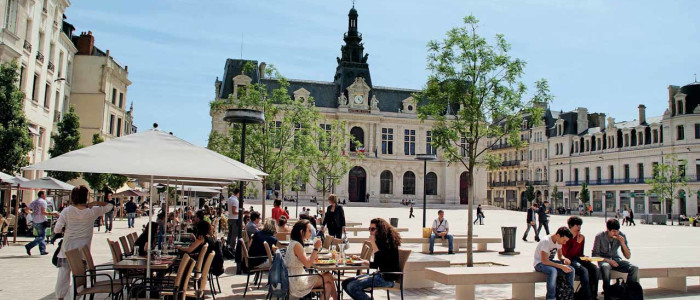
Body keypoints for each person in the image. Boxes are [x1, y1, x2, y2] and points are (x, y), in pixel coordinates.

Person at [54, 186, 113, 300]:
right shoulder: (92, 210)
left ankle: (60, 297)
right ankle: (77, 297)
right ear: (86, 197)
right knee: (80, 277)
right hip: (82, 251)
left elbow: (57, 229)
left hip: (67, 249)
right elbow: (110, 206)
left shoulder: (67, 211)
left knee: (63, 276)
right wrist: (95, 202)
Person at [343, 218, 402, 300]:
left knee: (352, 286)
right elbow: (376, 264)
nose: (370, 231)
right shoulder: (380, 241)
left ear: (380, 229)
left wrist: (373, 243)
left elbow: (379, 263)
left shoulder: (389, 243)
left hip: (387, 279)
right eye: (369, 229)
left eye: (373, 229)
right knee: (345, 283)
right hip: (379, 275)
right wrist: (361, 260)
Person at [285, 219, 338, 300]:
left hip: (294, 278)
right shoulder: (297, 245)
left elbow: (306, 261)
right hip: (297, 281)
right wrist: (316, 249)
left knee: (328, 286)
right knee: (328, 275)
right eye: (309, 231)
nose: (311, 233)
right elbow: (308, 265)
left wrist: (314, 253)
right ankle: (336, 298)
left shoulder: (294, 243)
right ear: (301, 232)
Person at [593, 218, 638, 294]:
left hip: (616, 259)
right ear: (608, 229)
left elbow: (628, 256)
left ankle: (629, 291)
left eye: (617, 231)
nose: (616, 233)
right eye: (613, 231)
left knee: (634, 268)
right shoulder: (600, 236)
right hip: (604, 260)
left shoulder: (621, 236)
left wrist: (623, 243)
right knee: (606, 267)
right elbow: (595, 255)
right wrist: (609, 261)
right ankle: (607, 292)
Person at [562, 216, 599, 299]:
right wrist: (577, 243)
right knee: (584, 270)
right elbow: (567, 254)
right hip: (569, 259)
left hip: (578, 258)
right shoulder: (565, 237)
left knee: (595, 269)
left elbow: (580, 253)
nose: (579, 227)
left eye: (580, 226)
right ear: (571, 226)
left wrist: (586, 257)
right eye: (577, 225)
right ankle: (588, 296)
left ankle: (594, 294)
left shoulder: (581, 236)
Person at [534, 226, 575, 300]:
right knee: (553, 271)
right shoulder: (546, 241)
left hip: (550, 262)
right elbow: (544, 261)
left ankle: (570, 295)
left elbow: (560, 257)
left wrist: (565, 259)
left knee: (571, 269)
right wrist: (561, 266)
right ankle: (551, 298)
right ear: (558, 235)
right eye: (564, 240)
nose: (564, 243)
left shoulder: (559, 241)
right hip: (539, 263)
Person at [25, 191, 58, 256]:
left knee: (40, 235)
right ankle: (29, 246)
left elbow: (26, 209)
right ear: (42, 195)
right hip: (41, 221)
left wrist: (31, 213)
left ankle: (42, 250)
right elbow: (43, 212)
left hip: (35, 221)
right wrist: (52, 213)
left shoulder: (34, 202)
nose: (45, 196)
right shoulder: (43, 202)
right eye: (45, 194)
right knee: (42, 237)